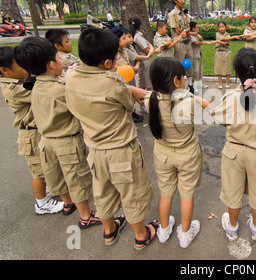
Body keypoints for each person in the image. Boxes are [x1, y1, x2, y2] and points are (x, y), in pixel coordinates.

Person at [64, 28, 158, 250]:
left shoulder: (70, 76)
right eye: (116, 57)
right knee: (132, 193)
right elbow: (128, 104)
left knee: (103, 192)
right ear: (107, 63)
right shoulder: (112, 82)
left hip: (95, 150)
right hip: (121, 150)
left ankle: (109, 231)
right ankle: (141, 235)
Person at [14, 37, 100, 228]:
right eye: (59, 59)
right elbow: (82, 105)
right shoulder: (60, 89)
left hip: (45, 142)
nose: (62, 62)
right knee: (76, 177)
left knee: (57, 175)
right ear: (52, 64)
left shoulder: (35, 86)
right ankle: (86, 216)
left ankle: (68, 203)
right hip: (66, 142)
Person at [210, 48, 256, 242]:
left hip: (234, 152)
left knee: (233, 191)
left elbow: (218, 118)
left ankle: (232, 227)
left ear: (235, 74)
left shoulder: (231, 98)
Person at [145, 57, 211, 248]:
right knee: (186, 194)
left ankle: (164, 230)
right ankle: (185, 233)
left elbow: (147, 94)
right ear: (176, 81)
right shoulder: (189, 102)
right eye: (183, 78)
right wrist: (199, 99)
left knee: (165, 193)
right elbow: (204, 105)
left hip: (162, 155)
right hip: (187, 155)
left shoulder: (151, 101)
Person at [0, 47, 64, 215]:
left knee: (47, 165)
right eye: (21, 66)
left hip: (38, 130)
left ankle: (48, 192)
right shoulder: (14, 89)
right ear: (5, 71)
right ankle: (41, 203)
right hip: (30, 134)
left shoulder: (21, 80)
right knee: (39, 172)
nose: (26, 69)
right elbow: (41, 92)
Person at [111, 26, 157, 123]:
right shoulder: (115, 55)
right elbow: (131, 67)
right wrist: (138, 62)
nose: (127, 39)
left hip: (129, 80)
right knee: (126, 102)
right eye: (124, 38)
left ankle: (131, 117)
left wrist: (137, 62)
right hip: (122, 83)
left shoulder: (124, 50)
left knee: (130, 100)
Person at [168, 0, 195, 93]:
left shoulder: (185, 14)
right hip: (179, 43)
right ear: (175, 1)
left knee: (189, 65)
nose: (183, 1)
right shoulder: (172, 14)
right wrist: (185, 31)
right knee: (179, 65)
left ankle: (190, 85)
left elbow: (188, 28)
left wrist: (186, 31)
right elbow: (177, 31)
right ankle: (178, 86)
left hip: (188, 42)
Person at [128, 17, 156, 99]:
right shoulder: (138, 37)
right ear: (140, 26)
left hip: (145, 61)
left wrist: (151, 48)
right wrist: (151, 48)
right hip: (145, 63)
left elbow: (150, 47)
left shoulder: (136, 36)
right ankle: (145, 102)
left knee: (145, 83)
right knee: (147, 84)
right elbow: (148, 51)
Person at [214, 20, 241, 89]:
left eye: (223, 26)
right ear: (218, 28)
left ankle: (227, 83)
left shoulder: (228, 34)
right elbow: (223, 39)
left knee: (227, 69)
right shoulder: (217, 34)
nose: (221, 28)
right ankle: (220, 83)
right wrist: (234, 37)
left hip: (226, 53)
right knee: (219, 69)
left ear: (225, 27)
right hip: (218, 53)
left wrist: (219, 41)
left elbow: (226, 42)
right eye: (220, 27)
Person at [190, 21, 214, 91]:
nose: (198, 29)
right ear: (193, 29)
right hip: (194, 55)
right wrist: (206, 42)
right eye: (197, 28)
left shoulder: (196, 35)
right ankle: (193, 86)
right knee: (195, 71)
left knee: (200, 69)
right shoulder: (190, 36)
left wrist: (198, 36)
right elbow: (196, 43)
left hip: (199, 54)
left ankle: (200, 83)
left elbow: (200, 38)